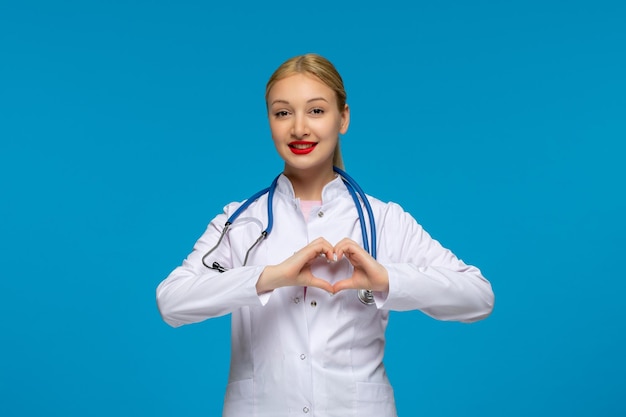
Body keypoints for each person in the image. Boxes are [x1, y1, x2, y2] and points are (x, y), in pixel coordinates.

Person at [156, 53, 494, 417]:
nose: (299, 128)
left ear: (343, 118)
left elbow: (478, 297)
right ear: (269, 121)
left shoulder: (382, 220)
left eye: (316, 111)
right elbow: (172, 302)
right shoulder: (241, 221)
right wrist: (268, 278)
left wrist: (387, 280)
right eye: (283, 112)